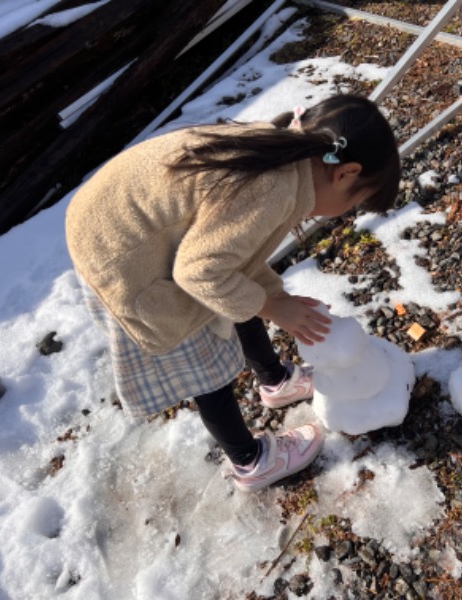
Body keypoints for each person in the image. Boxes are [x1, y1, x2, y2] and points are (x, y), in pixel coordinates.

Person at [66, 94, 401, 492]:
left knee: (238, 295)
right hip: (120, 255)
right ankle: (251, 461)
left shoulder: (284, 153)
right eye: (357, 202)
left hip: (127, 226)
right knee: (207, 367)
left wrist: (272, 299)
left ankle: (275, 381)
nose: (348, 212)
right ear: (345, 173)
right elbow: (199, 272)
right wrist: (273, 306)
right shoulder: (271, 190)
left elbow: (234, 259)